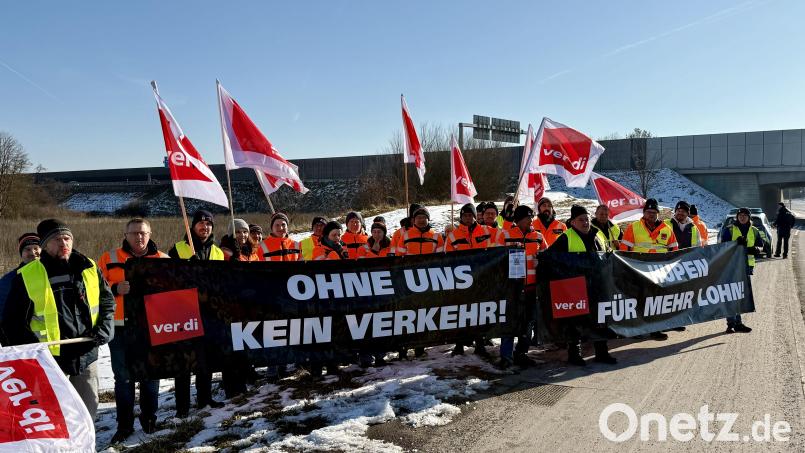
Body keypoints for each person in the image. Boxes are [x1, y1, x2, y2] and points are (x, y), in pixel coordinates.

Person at [3, 219, 115, 420]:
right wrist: (34, 352)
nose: (64, 243)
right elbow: (13, 322)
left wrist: (105, 328)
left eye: (67, 238)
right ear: (45, 244)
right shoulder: (28, 275)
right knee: (55, 415)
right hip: (50, 361)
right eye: (57, 239)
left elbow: (106, 302)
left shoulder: (88, 266)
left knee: (88, 412)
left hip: (86, 354)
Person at [98, 218, 168, 442]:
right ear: (126, 235)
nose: (139, 237)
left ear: (150, 234)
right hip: (120, 328)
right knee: (123, 378)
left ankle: (149, 421)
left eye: (143, 233)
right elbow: (95, 290)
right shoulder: (109, 258)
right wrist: (115, 289)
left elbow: (175, 289)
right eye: (134, 233)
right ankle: (124, 425)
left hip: (152, 327)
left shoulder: (163, 259)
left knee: (151, 376)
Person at [167, 209, 224, 416]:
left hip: (208, 313)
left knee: (205, 359)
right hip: (184, 314)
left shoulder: (217, 252)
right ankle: (182, 407)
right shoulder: (178, 249)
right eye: (201, 223)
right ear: (192, 226)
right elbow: (168, 279)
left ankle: (204, 399)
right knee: (183, 362)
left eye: (209, 224)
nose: (205, 227)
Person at [550, 205, 617, 366]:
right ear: (573, 222)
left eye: (586, 219)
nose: (585, 222)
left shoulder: (597, 236)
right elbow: (551, 258)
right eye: (581, 220)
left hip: (596, 286)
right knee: (575, 323)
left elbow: (607, 255)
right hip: (575, 288)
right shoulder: (566, 238)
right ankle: (574, 355)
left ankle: (602, 352)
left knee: (600, 320)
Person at [619, 199, 678, 340]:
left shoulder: (666, 229)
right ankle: (637, 329)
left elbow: (674, 249)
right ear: (644, 213)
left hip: (659, 272)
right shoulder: (633, 228)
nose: (651, 215)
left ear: (658, 213)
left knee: (656, 302)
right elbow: (624, 249)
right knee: (638, 300)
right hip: (637, 270)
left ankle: (655, 330)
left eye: (654, 212)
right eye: (649, 212)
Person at [445, 204, 498, 357]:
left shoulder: (487, 231)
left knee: (480, 312)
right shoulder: (453, 236)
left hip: (482, 280)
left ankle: (480, 344)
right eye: (465, 215)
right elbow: (447, 259)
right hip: (461, 281)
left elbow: (503, 240)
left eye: (470, 215)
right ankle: (459, 345)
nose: (468, 218)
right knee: (461, 313)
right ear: (461, 217)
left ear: (476, 216)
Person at [498, 206, 544, 368]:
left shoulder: (538, 236)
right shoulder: (505, 235)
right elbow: (494, 258)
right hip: (512, 288)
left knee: (528, 323)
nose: (530, 220)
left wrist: (543, 261)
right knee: (510, 323)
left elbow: (547, 255)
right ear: (518, 219)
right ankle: (506, 356)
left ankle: (521, 353)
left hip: (532, 287)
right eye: (526, 217)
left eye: (531, 217)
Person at [397, 206, 444, 359]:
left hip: (428, 281)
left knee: (424, 315)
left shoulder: (436, 236)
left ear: (428, 219)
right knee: (406, 315)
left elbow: (441, 260)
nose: (421, 220)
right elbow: (398, 259)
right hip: (408, 281)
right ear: (413, 220)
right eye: (418, 218)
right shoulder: (405, 236)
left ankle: (419, 347)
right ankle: (402, 348)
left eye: (424, 217)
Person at [719, 207, 762, 333]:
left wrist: (756, 249)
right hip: (731, 266)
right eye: (740, 215)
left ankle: (737, 323)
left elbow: (761, 244)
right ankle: (731, 323)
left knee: (739, 296)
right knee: (731, 295)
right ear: (737, 217)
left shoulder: (754, 230)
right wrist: (736, 245)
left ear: (749, 217)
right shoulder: (729, 229)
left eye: (745, 215)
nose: (742, 217)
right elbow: (723, 246)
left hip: (747, 266)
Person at [0, 233, 41, 342]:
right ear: (21, 254)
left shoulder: (53, 276)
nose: (33, 253)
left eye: (36, 248)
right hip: (24, 344)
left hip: (57, 343)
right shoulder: (9, 280)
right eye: (27, 249)